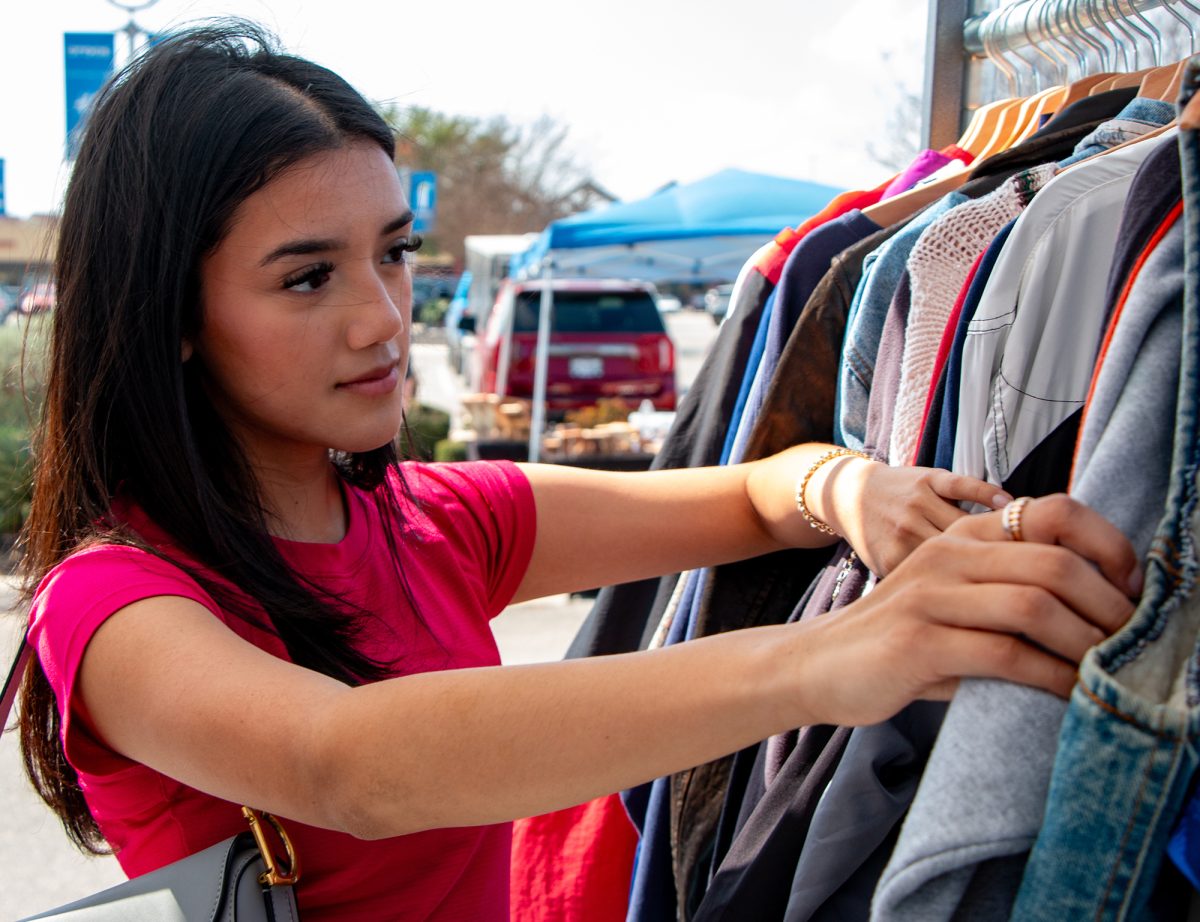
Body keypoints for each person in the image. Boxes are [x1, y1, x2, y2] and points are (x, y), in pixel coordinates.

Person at [16, 22, 1142, 922]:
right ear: (170, 312)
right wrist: (829, 656)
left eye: (395, 253)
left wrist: (851, 491)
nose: (384, 319)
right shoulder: (114, 604)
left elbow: (751, 494)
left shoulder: (433, 520)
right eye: (308, 278)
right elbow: (345, 762)